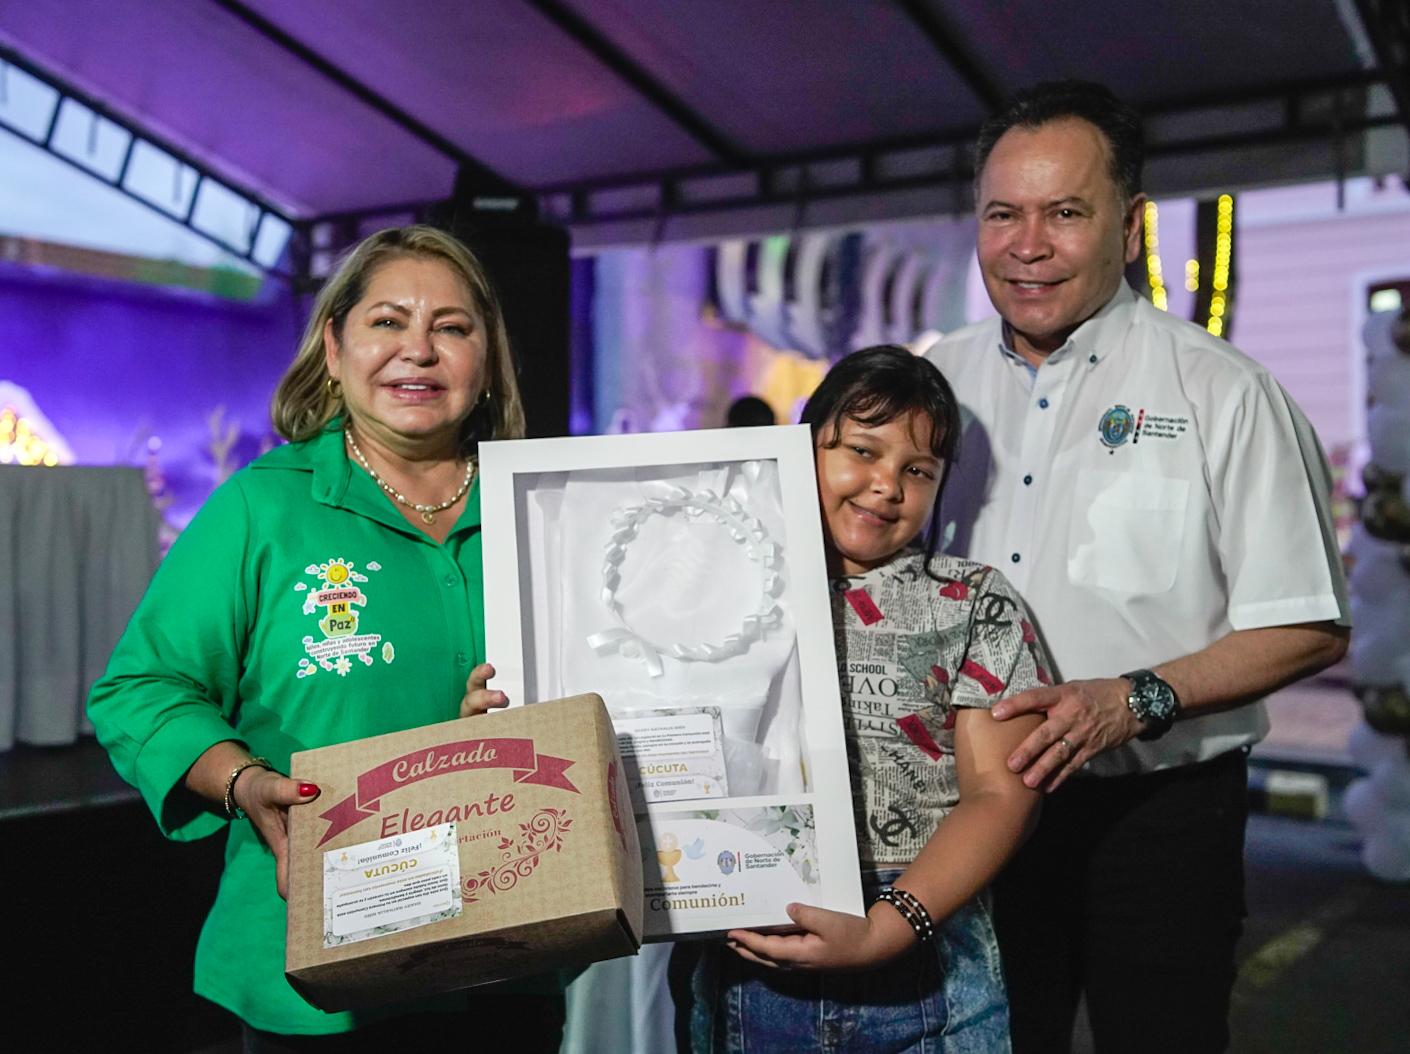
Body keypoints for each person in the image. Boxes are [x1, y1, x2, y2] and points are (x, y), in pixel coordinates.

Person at [925, 81, 1351, 1054]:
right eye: (1002, 214)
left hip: (1157, 819)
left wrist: (1132, 699)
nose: (1027, 245)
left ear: (1127, 226)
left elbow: (1307, 624)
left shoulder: (1221, 391)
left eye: (1063, 213)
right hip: (969, 809)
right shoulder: (935, 382)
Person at [87, 226, 564, 1051]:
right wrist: (242, 782)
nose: (418, 350)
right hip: (321, 970)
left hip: (509, 952)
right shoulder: (261, 509)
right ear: (334, 348)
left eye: (451, 327)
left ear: (487, 359)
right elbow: (141, 688)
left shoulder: (546, 510)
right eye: (388, 321)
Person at [677, 345, 1051, 1053]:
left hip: (930, 955)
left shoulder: (974, 601)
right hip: (747, 947)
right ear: (804, 446)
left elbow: (1002, 794)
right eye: (862, 451)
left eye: (918, 470)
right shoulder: (723, 587)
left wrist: (890, 925)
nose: (887, 486)